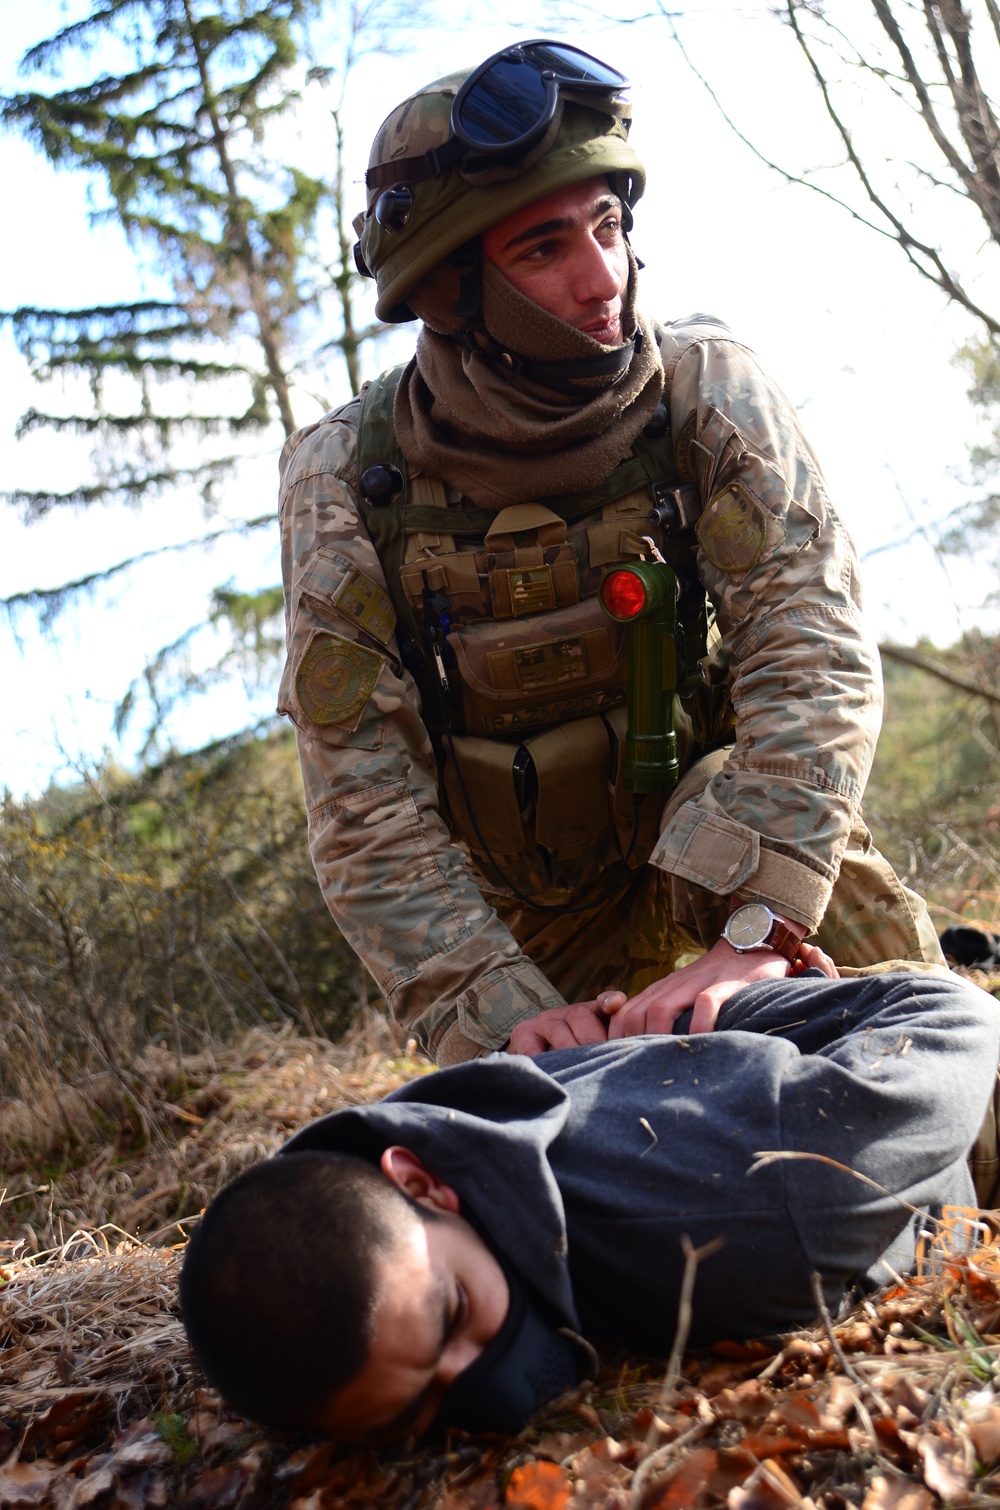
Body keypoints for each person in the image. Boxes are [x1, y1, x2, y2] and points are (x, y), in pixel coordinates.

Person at [277, 39, 944, 1067]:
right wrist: (491, 1010)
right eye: (543, 249)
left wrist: (757, 927)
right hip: (525, 928)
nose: (604, 278)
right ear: (451, 289)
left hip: (724, 847)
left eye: (608, 226)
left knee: (923, 1049)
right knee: (575, 1188)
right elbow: (362, 797)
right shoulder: (346, 477)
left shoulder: (702, 388)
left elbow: (810, 653)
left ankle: (972, 1220)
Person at [179, 963, 1000, 1442]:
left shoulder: (770, 1208)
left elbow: (953, 1016)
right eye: (414, 1411)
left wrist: (712, 1014)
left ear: (423, 1184)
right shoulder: (344, 1195)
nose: (479, 1387)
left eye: (453, 1313)